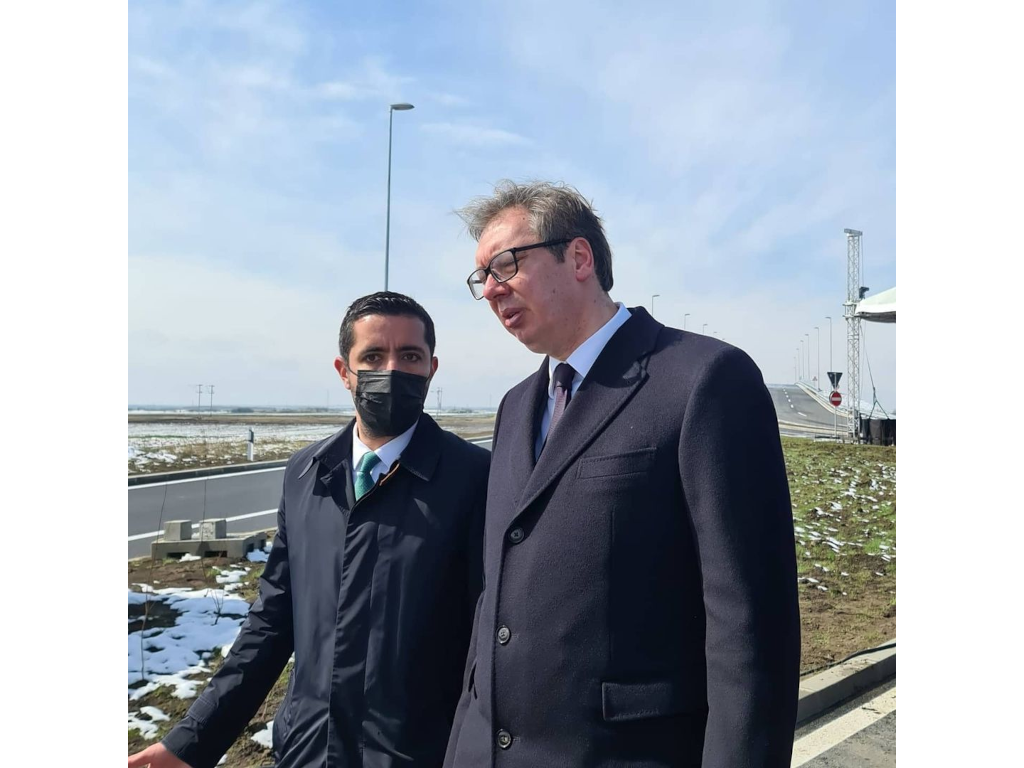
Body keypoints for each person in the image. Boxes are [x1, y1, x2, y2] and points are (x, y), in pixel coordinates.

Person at [444, 182, 800, 768]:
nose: (490, 289)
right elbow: (495, 601)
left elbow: (749, 627)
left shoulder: (703, 381)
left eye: (505, 265)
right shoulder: (514, 407)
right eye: (480, 276)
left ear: (579, 258)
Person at [130, 291, 490, 768]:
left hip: (418, 755)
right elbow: (271, 622)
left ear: (431, 368)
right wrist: (190, 743)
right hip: (308, 751)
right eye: (373, 357)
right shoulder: (306, 473)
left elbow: (490, 641)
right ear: (344, 371)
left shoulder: (476, 479)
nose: (391, 371)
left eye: (409, 356)